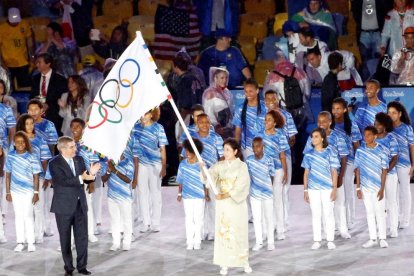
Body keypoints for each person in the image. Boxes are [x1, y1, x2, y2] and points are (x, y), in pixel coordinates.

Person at [49, 136, 100, 276]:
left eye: (75, 146)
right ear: (63, 149)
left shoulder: (79, 159)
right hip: (63, 206)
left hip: (80, 204)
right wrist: (82, 178)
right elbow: (63, 181)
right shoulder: (54, 163)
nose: (75, 149)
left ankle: (82, 266)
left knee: (82, 237)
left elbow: (86, 177)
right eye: (72, 147)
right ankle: (69, 268)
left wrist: (92, 175)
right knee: (65, 239)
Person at [203, 138, 251, 275]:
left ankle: (244, 262)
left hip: (236, 204)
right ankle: (224, 263)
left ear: (235, 151)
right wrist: (203, 169)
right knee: (223, 233)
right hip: (223, 205)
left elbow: (242, 185)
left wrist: (226, 195)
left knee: (239, 232)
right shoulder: (219, 165)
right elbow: (210, 177)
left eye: (228, 150)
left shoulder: (242, 166)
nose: (225, 152)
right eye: (224, 150)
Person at [304, 112, 351, 239]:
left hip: (335, 176)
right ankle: (327, 231)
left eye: (324, 121)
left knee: (339, 203)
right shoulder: (312, 137)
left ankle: (343, 229)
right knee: (324, 206)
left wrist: (340, 177)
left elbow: (344, 158)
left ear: (330, 122)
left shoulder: (338, 137)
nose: (321, 124)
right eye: (319, 121)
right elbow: (308, 156)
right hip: (319, 179)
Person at [15, 114, 52, 243]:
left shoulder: (40, 140)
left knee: (38, 207)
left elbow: (45, 160)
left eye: (32, 123)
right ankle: (26, 235)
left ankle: (38, 234)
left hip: (38, 178)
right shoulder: (17, 140)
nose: (30, 126)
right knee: (25, 209)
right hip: (21, 179)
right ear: (22, 125)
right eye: (27, 123)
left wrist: (47, 177)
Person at [263, 90, 297, 229]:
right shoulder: (261, 118)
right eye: (268, 98)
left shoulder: (287, 116)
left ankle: (283, 221)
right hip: (266, 161)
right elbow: (258, 139)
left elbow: (293, 138)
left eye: (273, 97)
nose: (271, 100)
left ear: (278, 99)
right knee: (269, 192)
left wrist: (281, 148)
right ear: (264, 101)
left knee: (283, 190)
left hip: (284, 157)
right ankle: (271, 222)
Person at [302, 127, 339, 250]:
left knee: (328, 214)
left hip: (327, 188)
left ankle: (330, 240)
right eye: (312, 136)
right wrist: (305, 190)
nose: (313, 139)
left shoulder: (330, 152)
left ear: (322, 138)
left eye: (316, 136)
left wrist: (334, 189)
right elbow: (306, 173)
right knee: (316, 214)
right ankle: (317, 240)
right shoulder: (308, 154)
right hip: (313, 189)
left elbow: (334, 172)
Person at [5, 131, 42, 252]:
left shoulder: (32, 157)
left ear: (26, 143)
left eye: (22, 142)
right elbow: (8, 176)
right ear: (14, 144)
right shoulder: (11, 157)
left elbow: (36, 176)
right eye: (17, 142)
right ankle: (20, 241)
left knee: (28, 215)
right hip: (15, 192)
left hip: (28, 191)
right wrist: (8, 192)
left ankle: (31, 242)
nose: (20, 144)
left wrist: (36, 193)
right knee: (18, 216)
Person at [132, 108, 168, 233]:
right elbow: (134, 149)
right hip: (141, 164)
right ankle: (145, 222)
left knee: (155, 193)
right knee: (142, 193)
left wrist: (163, 167)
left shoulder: (159, 128)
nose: (142, 115)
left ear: (151, 114)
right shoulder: (136, 128)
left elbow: (162, 149)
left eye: (146, 113)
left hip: (155, 164)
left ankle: (155, 223)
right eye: (141, 113)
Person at [355, 126, 388, 248]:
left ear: (375, 136)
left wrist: (382, 188)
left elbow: (384, 170)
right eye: (365, 135)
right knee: (369, 213)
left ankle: (382, 238)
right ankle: (372, 238)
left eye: (369, 135)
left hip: (377, 187)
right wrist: (358, 188)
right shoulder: (360, 151)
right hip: (365, 187)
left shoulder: (382, 150)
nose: (366, 137)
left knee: (380, 213)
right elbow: (357, 170)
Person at [331, 98, 362, 228]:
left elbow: (357, 146)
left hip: (349, 162)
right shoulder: (330, 124)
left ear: (345, 110)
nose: (335, 111)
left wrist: (358, 166)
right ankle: (338, 220)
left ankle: (350, 219)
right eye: (333, 108)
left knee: (348, 190)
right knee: (336, 191)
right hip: (334, 163)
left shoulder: (352, 125)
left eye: (338, 108)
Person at [258, 110, 289, 240]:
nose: (266, 122)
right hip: (264, 172)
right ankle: (266, 230)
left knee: (278, 199)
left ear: (275, 122)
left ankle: (280, 229)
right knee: (265, 200)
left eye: (269, 119)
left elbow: (282, 155)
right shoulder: (259, 136)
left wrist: (285, 171)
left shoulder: (280, 135)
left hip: (277, 171)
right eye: (265, 119)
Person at [263, 50, 312, 130]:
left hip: (284, 109)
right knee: (300, 132)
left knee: (288, 133)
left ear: (275, 61)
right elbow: (307, 92)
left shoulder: (272, 75)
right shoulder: (300, 71)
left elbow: (266, 94)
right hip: (300, 107)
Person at [176, 138, 209, 250]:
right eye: (186, 150)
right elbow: (180, 180)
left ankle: (197, 241)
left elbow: (205, 181)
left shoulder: (202, 164)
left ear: (196, 151)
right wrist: (179, 193)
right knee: (189, 219)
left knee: (198, 219)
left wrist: (207, 193)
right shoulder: (182, 165)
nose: (187, 153)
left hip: (199, 196)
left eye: (189, 151)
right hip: (187, 196)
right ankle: (190, 241)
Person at [70, 118, 99, 242]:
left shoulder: (88, 145)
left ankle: (90, 233)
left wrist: (91, 181)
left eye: (78, 127)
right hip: (72, 182)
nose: (75, 129)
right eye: (73, 126)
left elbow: (92, 163)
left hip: (86, 180)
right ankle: (72, 236)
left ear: (83, 129)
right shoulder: (68, 144)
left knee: (87, 206)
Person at [387, 101, 414, 229]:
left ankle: (405, 219)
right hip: (391, 165)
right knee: (392, 193)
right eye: (389, 113)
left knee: (405, 191)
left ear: (400, 114)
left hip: (404, 164)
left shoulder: (407, 128)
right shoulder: (387, 129)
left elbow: (412, 147)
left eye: (394, 113)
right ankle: (394, 218)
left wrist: (413, 164)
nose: (391, 115)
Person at [246, 137, 275, 251]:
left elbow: (272, 175)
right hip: (254, 194)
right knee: (257, 218)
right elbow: (248, 176)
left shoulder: (269, 159)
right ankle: (259, 242)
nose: (255, 148)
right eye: (253, 146)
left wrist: (267, 187)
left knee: (269, 217)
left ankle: (271, 242)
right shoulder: (249, 160)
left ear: (263, 147)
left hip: (267, 193)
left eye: (258, 146)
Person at [101, 151, 134, 251]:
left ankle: (127, 242)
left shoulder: (129, 162)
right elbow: (103, 179)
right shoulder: (109, 162)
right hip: (112, 196)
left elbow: (128, 179)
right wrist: (108, 171)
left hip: (125, 197)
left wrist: (114, 170)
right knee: (114, 220)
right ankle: (116, 242)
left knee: (126, 220)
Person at [351, 0, 390, 81]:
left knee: (379, 62)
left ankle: (378, 82)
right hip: (363, 34)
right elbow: (355, 15)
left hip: (377, 33)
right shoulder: (358, 2)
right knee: (365, 62)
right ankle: (366, 85)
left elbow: (387, 8)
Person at [374, 112, 399, 238]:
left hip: (390, 175)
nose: (376, 126)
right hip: (375, 176)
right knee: (379, 202)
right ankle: (380, 228)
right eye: (375, 123)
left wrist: (386, 171)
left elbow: (395, 158)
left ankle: (393, 228)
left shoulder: (391, 138)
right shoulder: (372, 139)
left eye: (378, 124)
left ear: (385, 125)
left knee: (391, 201)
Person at [31, 53, 68, 136]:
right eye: (37, 62)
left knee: (54, 139)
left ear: (48, 64)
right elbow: (32, 95)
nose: (37, 64)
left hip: (54, 115)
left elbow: (63, 98)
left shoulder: (60, 80)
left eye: (39, 62)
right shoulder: (35, 78)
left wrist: (48, 105)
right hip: (37, 115)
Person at [0, 8, 34, 91]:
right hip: (7, 64)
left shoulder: (24, 24)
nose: (15, 22)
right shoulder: (2, 29)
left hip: (23, 62)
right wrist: (2, 63)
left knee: (26, 85)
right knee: (7, 88)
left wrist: (32, 56)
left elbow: (29, 41)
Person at [233, 78, 266, 159]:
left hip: (264, 146)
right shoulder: (240, 109)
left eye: (251, 91)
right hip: (247, 147)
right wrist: (236, 148)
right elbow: (238, 131)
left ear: (257, 91)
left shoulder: (265, 107)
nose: (248, 94)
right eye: (246, 91)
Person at [202, 67, 234, 138]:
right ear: (215, 78)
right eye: (222, 78)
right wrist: (216, 126)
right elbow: (208, 113)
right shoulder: (209, 93)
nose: (224, 80)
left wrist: (231, 125)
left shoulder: (227, 92)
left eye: (226, 78)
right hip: (216, 130)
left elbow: (231, 110)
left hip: (228, 129)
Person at [0, 102, 16, 220]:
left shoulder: (6, 109)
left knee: (4, 179)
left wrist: (11, 149)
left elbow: (12, 130)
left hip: (3, 147)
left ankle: (3, 211)